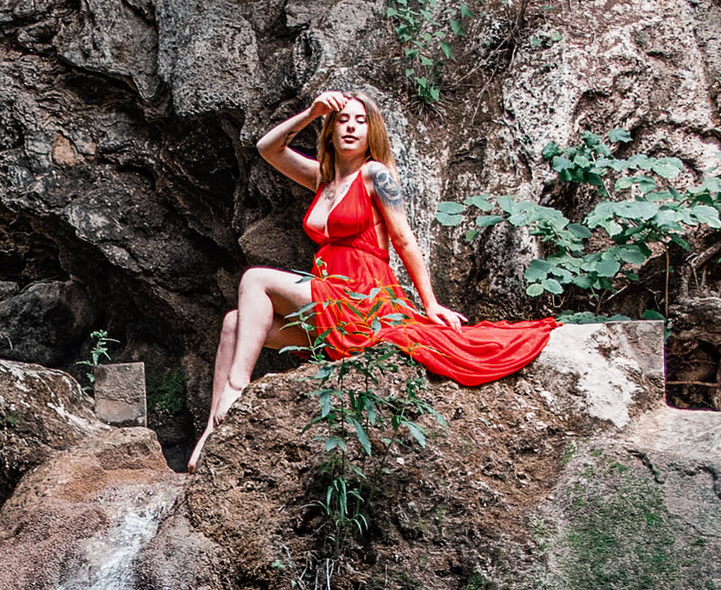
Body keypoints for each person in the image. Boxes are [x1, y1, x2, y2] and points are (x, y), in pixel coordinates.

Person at [190, 88, 556, 465]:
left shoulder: (376, 175)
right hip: (330, 295)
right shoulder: (324, 179)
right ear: (330, 131)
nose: (351, 128)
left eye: (360, 121)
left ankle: (237, 387)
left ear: (372, 132)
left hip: (362, 298)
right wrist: (312, 112)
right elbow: (268, 148)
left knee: (255, 279)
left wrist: (429, 303)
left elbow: (404, 240)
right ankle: (210, 437)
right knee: (235, 324)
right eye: (342, 120)